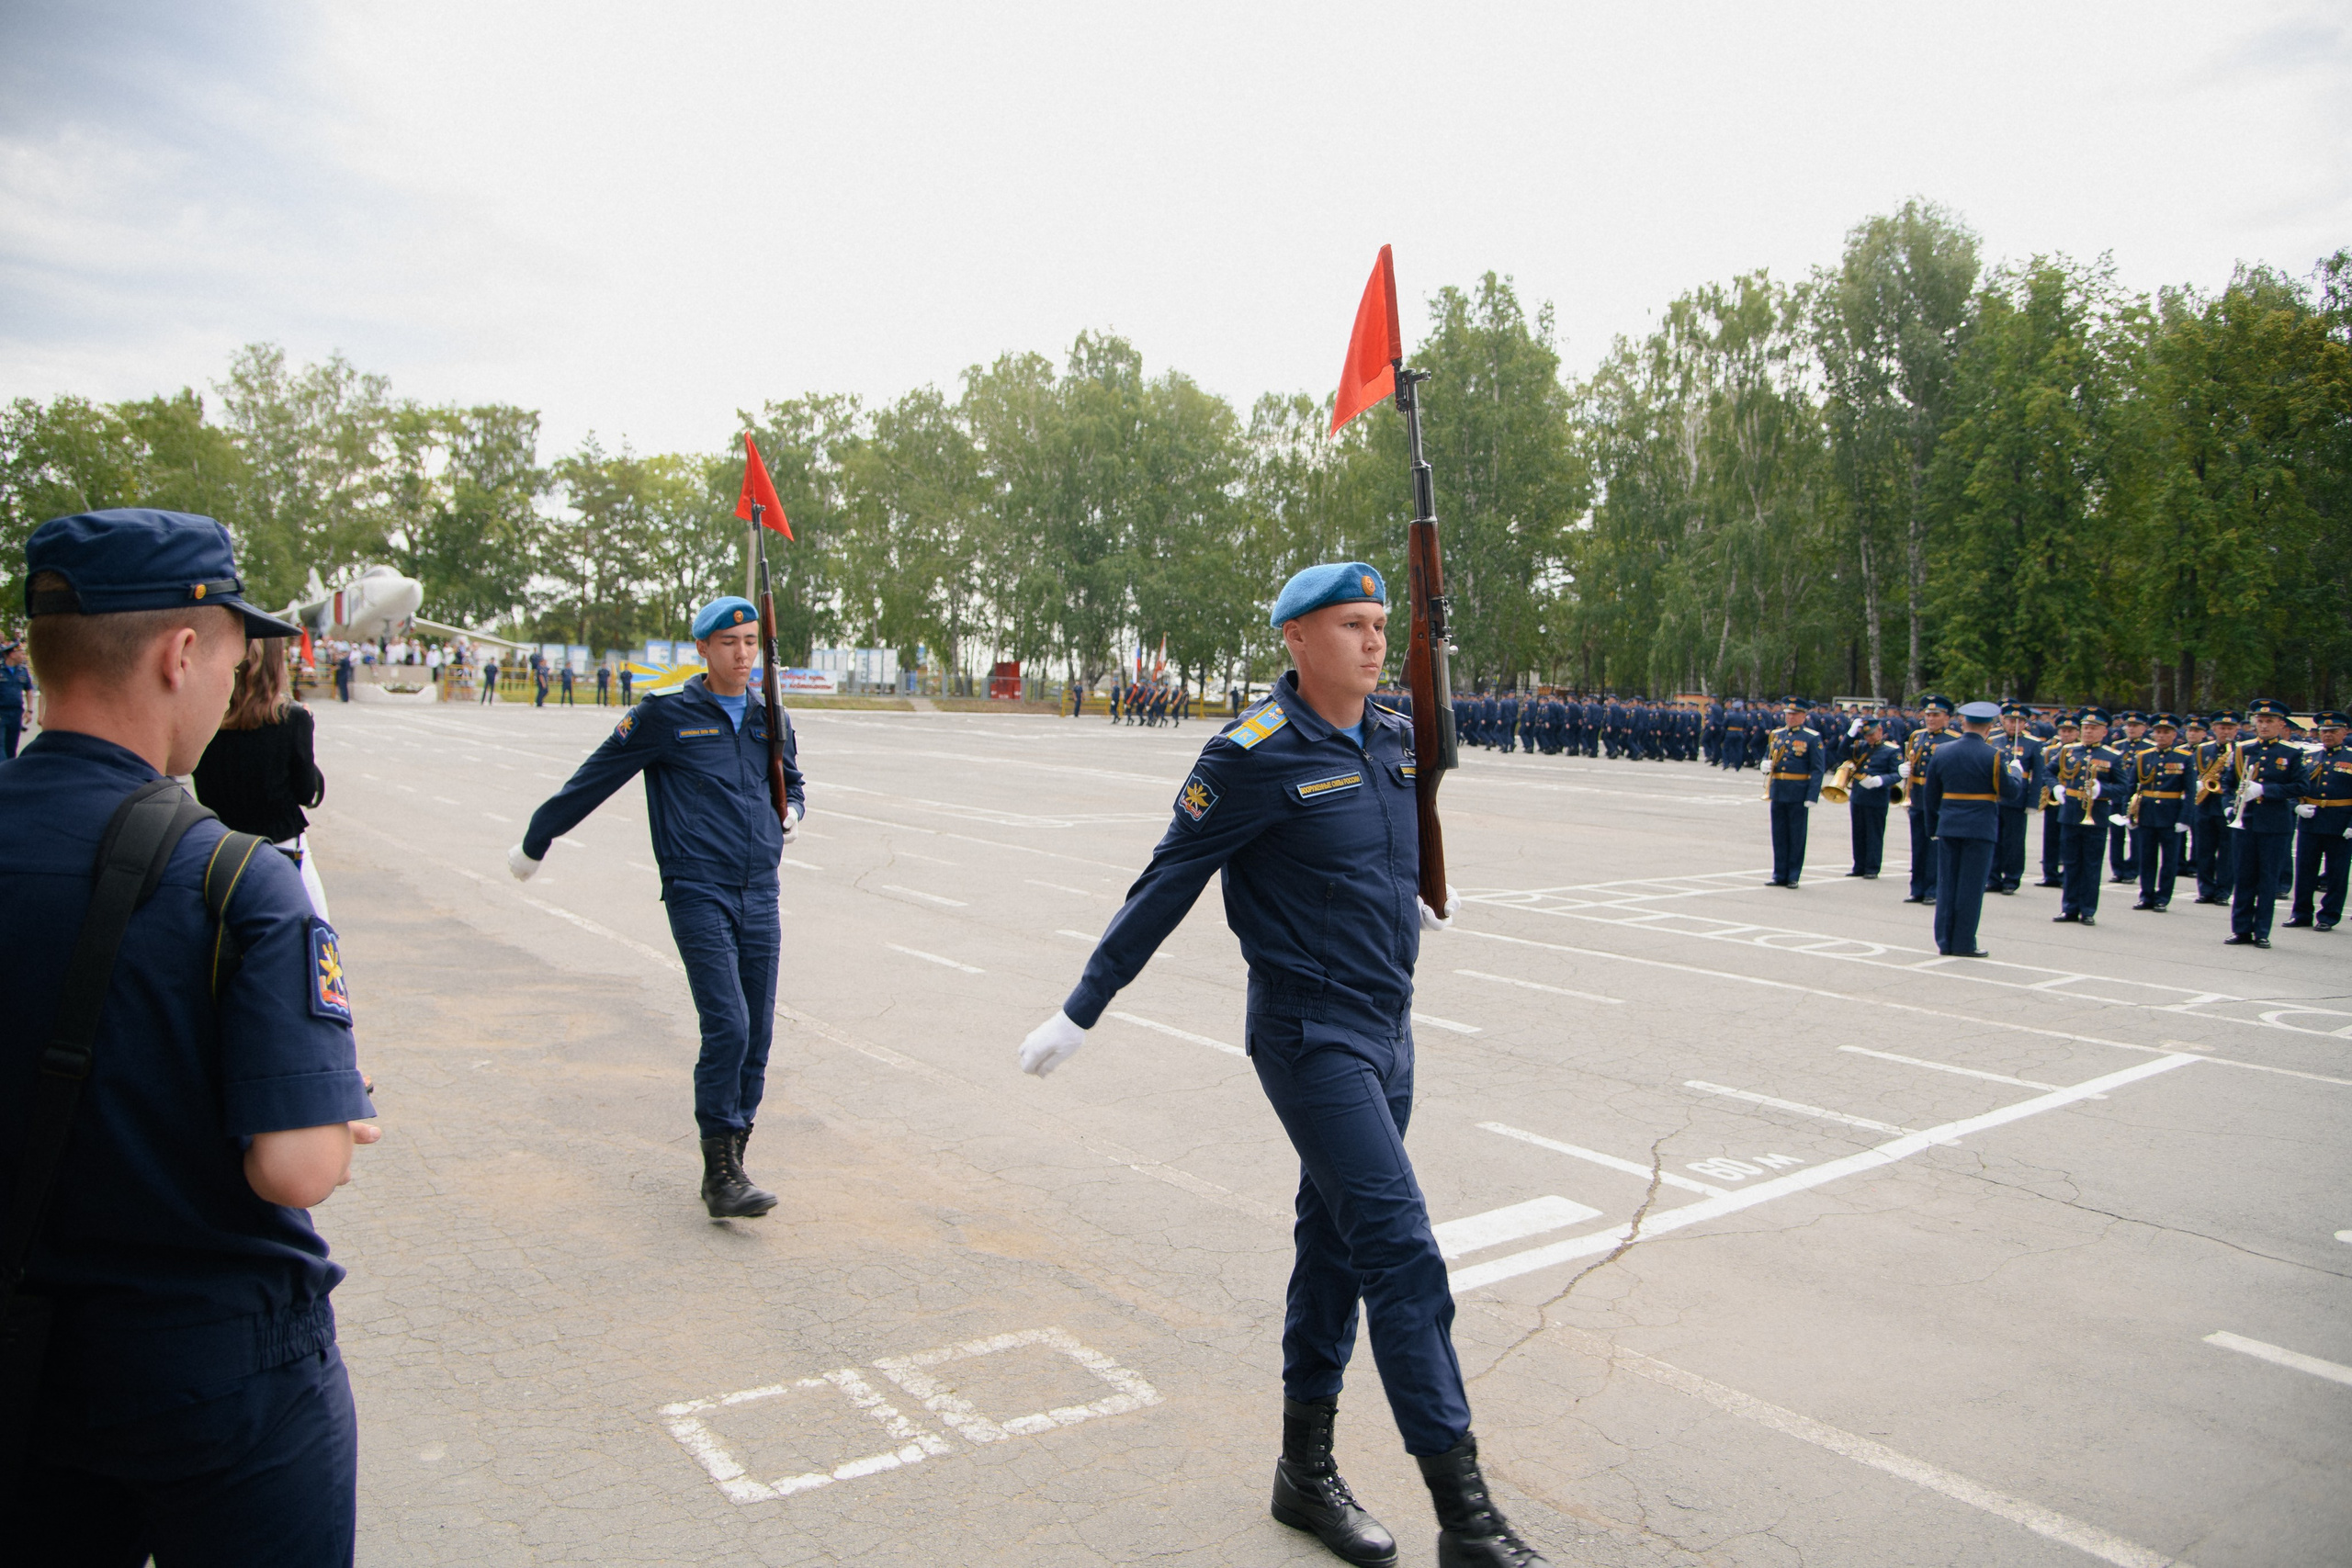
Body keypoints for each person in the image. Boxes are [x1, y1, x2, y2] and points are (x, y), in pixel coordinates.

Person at [1014, 561, 1551, 1568]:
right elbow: (1166, 882)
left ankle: (1302, 1476)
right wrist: (1082, 1009)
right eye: (1352, 624)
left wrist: (1429, 892)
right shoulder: (1253, 753)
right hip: (1310, 1038)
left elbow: (1388, 855)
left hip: (1390, 1031)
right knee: (1400, 1248)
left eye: (1382, 625)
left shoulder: (1394, 739)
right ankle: (1468, 1522)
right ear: (1296, 639)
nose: (1374, 641)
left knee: (1337, 1244)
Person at [2, 508, 376, 1562]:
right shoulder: (234, 880)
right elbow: (297, 1165)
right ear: (179, 653)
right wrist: (336, 1121)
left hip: (27, 1356)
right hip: (215, 1368)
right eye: (228, 654)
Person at [507, 597, 805, 1218]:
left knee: (759, 1033)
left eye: (751, 641)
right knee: (729, 1022)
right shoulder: (665, 716)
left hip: (761, 889)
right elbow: (592, 779)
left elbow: (792, 779)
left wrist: (793, 811)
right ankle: (718, 1173)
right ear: (701, 648)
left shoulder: (768, 714)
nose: (743, 653)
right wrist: (537, 838)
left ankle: (734, 1157)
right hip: (698, 887)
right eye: (729, 643)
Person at [191, 637, 333, 921]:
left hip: (221, 850)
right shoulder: (291, 719)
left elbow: (203, 790)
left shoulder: (208, 721)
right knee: (318, 942)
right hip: (281, 848)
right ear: (275, 667)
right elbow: (306, 793)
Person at [1921, 701, 2025, 957]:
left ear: (1963, 723)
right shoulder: (1994, 755)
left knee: (1947, 885)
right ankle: (1964, 942)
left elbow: (1930, 795)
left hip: (1948, 825)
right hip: (1979, 828)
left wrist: (1932, 827)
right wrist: (2016, 774)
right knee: (1970, 888)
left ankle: (1945, 941)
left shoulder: (1942, 751)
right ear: (1989, 727)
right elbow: (2010, 793)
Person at [2221, 698, 2310, 948]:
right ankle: (2240, 929)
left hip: (2275, 825)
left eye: (2270, 721)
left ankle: (2262, 931)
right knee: (2244, 877)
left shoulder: (2292, 753)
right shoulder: (2242, 750)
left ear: (2281, 724)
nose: (2264, 725)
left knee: (2267, 879)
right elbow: (2228, 784)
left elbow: (2301, 786)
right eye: (2260, 721)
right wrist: (2228, 806)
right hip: (2245, 822)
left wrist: (2264, 790)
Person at [2051, 708, 2129, 927]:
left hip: (2096, 815)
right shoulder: (2068, 751)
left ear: (2104, 732)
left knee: (2091, 865)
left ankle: (2087, 910)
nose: (2088, 732)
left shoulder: (2112, 756)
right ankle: (2069, 908)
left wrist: (2102, 790)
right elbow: (2048, 771)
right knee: (2071, 863)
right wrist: (2055, 786)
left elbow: (2123, 786)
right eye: (2085, 728)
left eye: (2093, 729)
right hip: (2070, 813)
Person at [2284, 710, 2350, 931]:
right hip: (2310, 821)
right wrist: (2297, 807)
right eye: (2324, 731)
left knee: (2337, 873)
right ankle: (2301, 914)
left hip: (2340, 823)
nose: (2328, 735)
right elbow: (2294, 787)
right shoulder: (2308, 758)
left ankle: (2329, 916)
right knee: (2305, 870)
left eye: (2333, 731)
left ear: (2345, 732)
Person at [2127, 715, 2195, 912]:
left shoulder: (2184, 758)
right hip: (2147, 812)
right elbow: (2132, 787)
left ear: (2174, 735)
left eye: (2167, 732)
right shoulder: (2144, 757)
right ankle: (2146, 895)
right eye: (2158, 732)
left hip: (2171, 813)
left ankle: (2163, 897)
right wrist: (2129, 813)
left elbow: (2190, 791)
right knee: (2146, 857)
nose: (2162, 736)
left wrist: (2185, 818)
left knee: (2169, 860)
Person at [1762, 698, 1825, 887]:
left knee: (1796, 835)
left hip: (1798, 791)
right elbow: (1769, 756)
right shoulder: (1776, 735)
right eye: (1788, 714)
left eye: (1795, 714)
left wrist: (1812, 795)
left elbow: (1817, 769)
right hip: (1779, 789)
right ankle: (1779, 873)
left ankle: (1793, 875)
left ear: (1804, 716)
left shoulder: (1812, 738)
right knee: (1779, 834)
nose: (1790, 718)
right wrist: (1764, 764)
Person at [1900, 696, 1957, 904]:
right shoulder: (1917, 736)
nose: (1930, 719)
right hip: (1918, 796)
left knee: (1936, 847)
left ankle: (1934, 889)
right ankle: (1917, 888)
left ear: (1947, 718)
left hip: (1939, 798)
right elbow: (1912, 762)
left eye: (1936, 715)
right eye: (1928, 715)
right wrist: (1904, 773)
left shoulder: (1953, 739)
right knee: (1918, 845)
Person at [1987, 704, 2045, 895]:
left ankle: (2011, 878)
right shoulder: (1994, 740)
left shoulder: (2033, 743)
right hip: (1996, 797)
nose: (2015, 724)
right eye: (2011, 720)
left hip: (2018, 798)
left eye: (2019, 721)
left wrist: (2032, 802)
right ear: (2003, 720)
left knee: (2014, 841)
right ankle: (1993, 877)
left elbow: (2038, 777)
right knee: (1993, 838)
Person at [1843, 716, 1901, 877]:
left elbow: (1897, 774)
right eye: (1866, 735)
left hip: (1877, 796)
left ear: (1880, 731)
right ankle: (1859, 866)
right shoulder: (1860, 747)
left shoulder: (1891, 750)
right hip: (1859, 795)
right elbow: (1840, 752)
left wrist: (1880, 780)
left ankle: (1872, 867)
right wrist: (1850, 733)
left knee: (1874, 833)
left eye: (1872, 734)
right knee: (1858, 832)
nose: (1869, 737)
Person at [1, 640, 35, 757]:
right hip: (1, 713)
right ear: (12, 654)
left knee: (12, 746)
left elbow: (29, 690)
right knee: (0, 745)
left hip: (16, 713)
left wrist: (30, 710)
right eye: (21, 653)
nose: (23, 655)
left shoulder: (23, 671)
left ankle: (8, 771)